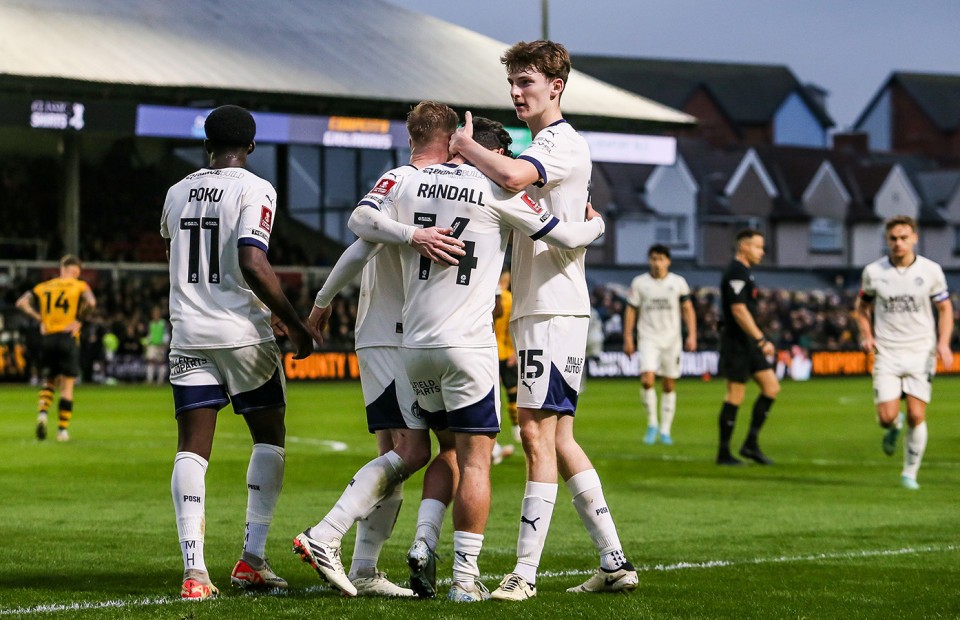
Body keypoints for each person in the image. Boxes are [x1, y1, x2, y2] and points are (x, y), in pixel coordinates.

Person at [448, 40, 637, 600]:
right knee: (560, 437)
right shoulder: (551, 144)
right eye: (512, 83)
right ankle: (613, 560)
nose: (516, 92)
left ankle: (524, 575)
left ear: (557, 85)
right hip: (550, 305)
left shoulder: (559, 143)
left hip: (552, 307)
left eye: (526, 82)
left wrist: (464, 145)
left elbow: (510, 179)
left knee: (533, 432)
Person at [292, 101, 464, 599]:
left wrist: (322, 302)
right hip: (393, 334)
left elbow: (361, 246)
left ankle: (366, 567)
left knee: (393, 453)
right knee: (415, 450)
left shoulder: (417, 188)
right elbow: (360, 221)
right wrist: (415, 234)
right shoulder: (401, 182)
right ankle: (326, 534)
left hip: (392, 333)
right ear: (451, 139)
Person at [161, 105, 319, 600]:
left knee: (192, 447)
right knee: (269, 436)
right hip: (242, 335)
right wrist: (296, 325)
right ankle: (251, 560)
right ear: (251, 146)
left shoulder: (176, 191)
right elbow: (253, 260)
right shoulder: (255, 188)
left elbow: (179, 248)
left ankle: (194, 572)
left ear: (206, 142)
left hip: (189, 332)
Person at [854, 215, 953, 490]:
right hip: (887, 352)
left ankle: (910, 473)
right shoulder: (874, 272)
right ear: (887, 241)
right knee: (886, 417)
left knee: (916, 415)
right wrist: (867, 334)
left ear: (914, 238)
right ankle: (892, 426)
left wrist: (944, 343)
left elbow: (945, 309)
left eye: (903, 238)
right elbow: (862, 308)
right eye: (893, 239)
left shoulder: (931, 271)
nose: (898, 243)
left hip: (922, 350)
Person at [716, 229, 781, 466]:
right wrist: (761, 339)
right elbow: (738, 310)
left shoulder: (745, 273)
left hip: (749, 343)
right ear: (744, 247)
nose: (762, 252)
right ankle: (724, 453)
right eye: (758, 247)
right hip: (737, 343)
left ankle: (750, 443)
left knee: (771, 387)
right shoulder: (736, 272)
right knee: (735, 394)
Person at [16, 254, 97, 442]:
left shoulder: (44, 286)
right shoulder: (79, 285)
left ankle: (43, 414)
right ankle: (62, 431)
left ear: (61, 269)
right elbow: (91, 303)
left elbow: (21, 303)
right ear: (74, 271)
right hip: (68, 338)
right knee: (67, 387)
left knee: (48, 380)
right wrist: (78, 320)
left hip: (48, 338)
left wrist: (39, 318)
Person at [623, 244, 697, 446]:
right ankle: (652, 424)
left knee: (669, 384)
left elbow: (688, 309)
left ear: (668, 261)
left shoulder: (678, 283)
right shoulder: (639, 283)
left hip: (672, 339)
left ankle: (665, 430)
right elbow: (631, 311)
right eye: (654, 259)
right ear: (649, 260)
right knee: (647, 379)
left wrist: (692, 335)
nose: (657, 263)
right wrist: (628, 338)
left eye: (661, 259)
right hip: (648, 338)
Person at [493, 269, 521, 451]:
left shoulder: (484, 293)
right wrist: (515, 351)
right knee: (512, 392)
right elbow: (514, 326)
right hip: (504, 351)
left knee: (489, 396)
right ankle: (516, 428)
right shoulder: (510, 298)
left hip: (487, 351)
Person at [144, 306, 170, 384]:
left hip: (161, 345)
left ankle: (160, 381)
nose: (155, 315)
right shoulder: (151, 323)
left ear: (159, 314)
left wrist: (165, 343)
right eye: (154, 313)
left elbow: (166, 334)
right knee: (150, 361)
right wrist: (146, 343)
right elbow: (149, 335)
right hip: (152, 345)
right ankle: (149, 380)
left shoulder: (163, 323)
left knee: (161, 362)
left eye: (156, 313)